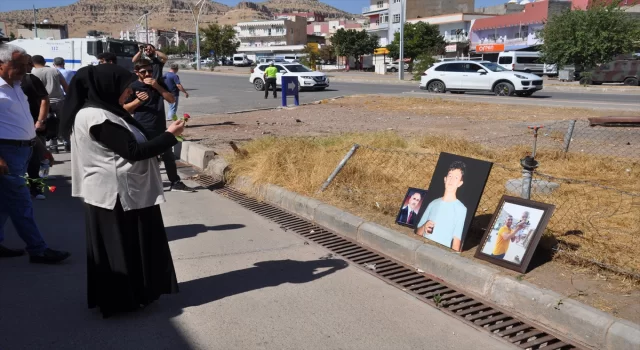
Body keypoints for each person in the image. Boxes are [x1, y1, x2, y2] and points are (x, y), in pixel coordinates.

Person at [60, 63, 182, 318]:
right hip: (117, 195)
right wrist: (171, 135)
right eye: (124, 88)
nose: (128, 93)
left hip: (120, 193)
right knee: (122, 247)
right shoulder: (97, 117)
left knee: (128, 247)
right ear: (106, 87)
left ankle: (136, 294)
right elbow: (134, 152)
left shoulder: (105, 112)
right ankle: (122, 299)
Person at [0, 43, 70, 263]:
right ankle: (38, 249)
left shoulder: (16, 86)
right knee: (22, 203)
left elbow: (25, 123)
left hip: (23, 150)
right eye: (18, 65)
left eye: (26, 64)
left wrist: (42, 149)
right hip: (7, 154)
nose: (24, 69)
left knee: (4, 204)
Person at [124, 59, 196, 193]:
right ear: (136, 72)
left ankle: (175, 182)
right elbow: (125, 109)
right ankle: (142, 185)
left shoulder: (158, 83)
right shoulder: (132, 87)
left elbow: (171, 99)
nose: (147, 74)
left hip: (160, 126)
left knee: (168, 155)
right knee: (145, 158)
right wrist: (138, 101)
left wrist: (157, 86)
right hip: (142, 129)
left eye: (150, 71)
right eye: (143, 72)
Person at [416, 161, 468, 251]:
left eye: (456, 178)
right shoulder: (433, 203)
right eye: (450, 176)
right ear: (445, 179)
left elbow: (456, 241)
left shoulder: (461, 209)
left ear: (460, 183)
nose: (451, 180)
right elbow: (418, 233)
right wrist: (424, 226)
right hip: (422, 248)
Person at [21, 54, 51, 200]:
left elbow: (44, 99)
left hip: (32, 125)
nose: (30, 66)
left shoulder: (30, 79)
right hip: (12, 128)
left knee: (35, 158)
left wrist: (40, 120)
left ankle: (36, 189)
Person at [31, 55, 70, 153]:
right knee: (62, 123)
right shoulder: (54, 71)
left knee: (46, 125)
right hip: (59, 101)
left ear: (33, 63)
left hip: (43, 103)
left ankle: (53, 147)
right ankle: (67, 143)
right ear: (44, 62)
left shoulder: (33, 73)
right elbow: (65, 86)